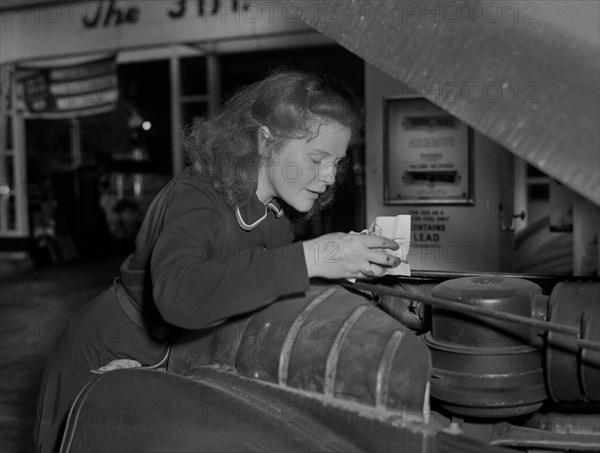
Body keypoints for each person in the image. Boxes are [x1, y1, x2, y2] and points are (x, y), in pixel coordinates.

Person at [33, 69, 402, 452]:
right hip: (108, 351)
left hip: (177, 361)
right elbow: (178, 292)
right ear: (264, 142)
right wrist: (312, 258)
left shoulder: (276, 215)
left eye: (337, 163)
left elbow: (254, 287)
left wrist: (345, 269)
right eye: (316, 158)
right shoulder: (197, 194)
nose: (328, 177)